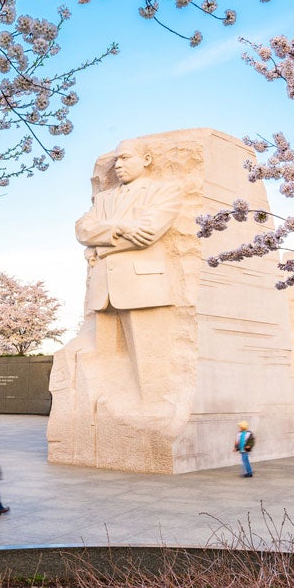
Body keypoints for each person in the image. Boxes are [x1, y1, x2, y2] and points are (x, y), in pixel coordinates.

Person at [75, 139, 185, 404]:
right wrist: (122, 227)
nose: (118, 165)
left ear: (147, 159)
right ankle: (112, 410)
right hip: (103, 290)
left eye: (125, 158)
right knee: (103, 365)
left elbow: (148, 234)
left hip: (142, 286)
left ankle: (154, 410)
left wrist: (101, 249)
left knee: (150, 362)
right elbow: (82, 230)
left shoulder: (164, 191)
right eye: (116, 161)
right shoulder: (103, 199)